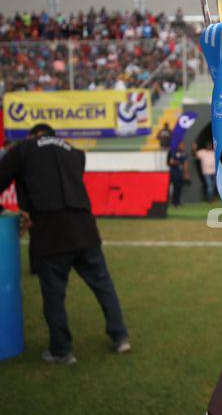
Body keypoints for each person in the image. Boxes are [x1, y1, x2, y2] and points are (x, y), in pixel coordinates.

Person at [0, 123, 130, 364]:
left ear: (32, 136)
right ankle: (120, 337)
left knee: (54, 296)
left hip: (50, 234)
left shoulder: (23, 149)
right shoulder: (74, 152)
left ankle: (62, 351)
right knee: (103, 286)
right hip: (85, 230)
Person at [167, 141, 189, 208]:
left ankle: (178, 202)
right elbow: (169, 162)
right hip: (174, 173)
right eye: (181, 145)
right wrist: (176, 162)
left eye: (183, 145)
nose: (182, 147)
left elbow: (186, 163)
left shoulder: (184, 154)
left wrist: (186, 173)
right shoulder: (173, 152)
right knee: (175, 188)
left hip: (181, 173)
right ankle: (174, 203)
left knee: (180, 188)